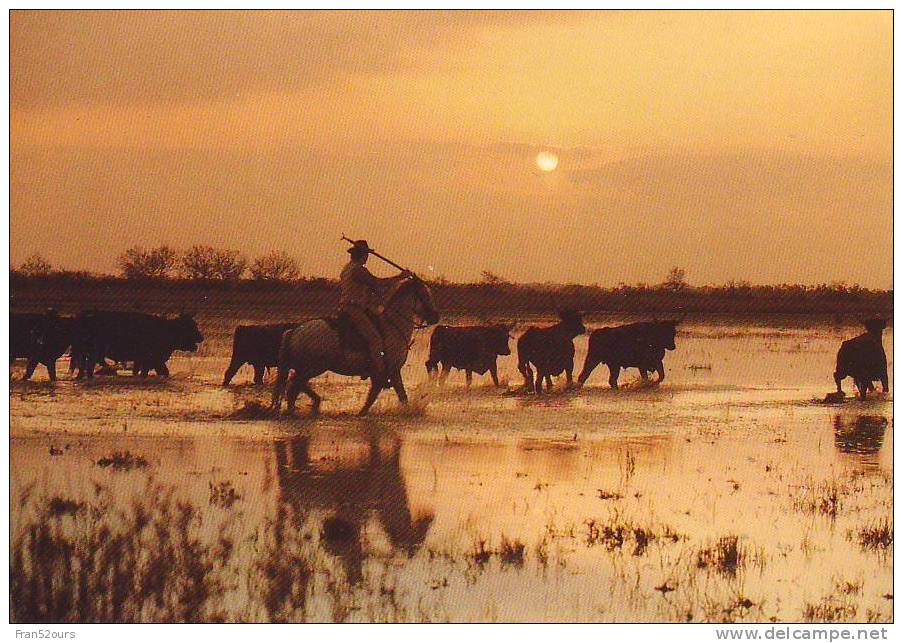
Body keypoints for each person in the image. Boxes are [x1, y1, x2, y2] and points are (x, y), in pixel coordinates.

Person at [339, 240, 410, 381]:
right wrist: (400, 277)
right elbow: (377, 283)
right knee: (375, 339)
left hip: (349, 308)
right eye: (366, 254)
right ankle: (378, 372)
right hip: (354, 310)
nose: (367, 257)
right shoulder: (358, 270)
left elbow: (371, 288)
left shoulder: (347, 268)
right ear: (363, 255)